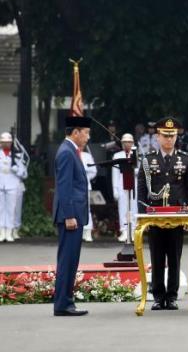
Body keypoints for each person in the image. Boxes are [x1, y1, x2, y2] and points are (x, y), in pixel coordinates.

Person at [137, 117, 188, 311]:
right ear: (157, 136)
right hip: (154, 213)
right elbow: (141, 186)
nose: (169, 139)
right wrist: (142, 213)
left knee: (174, 255)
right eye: (165, 135)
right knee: (156, 255)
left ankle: (171, 296)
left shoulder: (185, 158)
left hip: (177, 213)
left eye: (172, 136)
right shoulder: (148, 159)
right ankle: (157, 296)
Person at [53, 116, 92, 316]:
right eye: (85, 133)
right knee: (67, 260)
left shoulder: (70, 150)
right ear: (75, 132)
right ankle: (63, 304)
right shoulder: (67, 152)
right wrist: (68, 215)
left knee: (70, 260)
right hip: (70, 216)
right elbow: (64, 186)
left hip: (74, 214)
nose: (87, 137)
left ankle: (66, 301)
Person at [0, 132, 28, 242]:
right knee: (0, 210)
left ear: (11, 143)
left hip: (12, 185)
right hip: (0, 184)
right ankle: (2, 232)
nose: (6, 144)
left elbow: (24, 174)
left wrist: (17, 169)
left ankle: (9, 232)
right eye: (3, 142)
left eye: (8, 142)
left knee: (11, 210)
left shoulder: (17, 155)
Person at [112, 133, 139, 242]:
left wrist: (133, 169)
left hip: (134, 185)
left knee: (133, 208)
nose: (127, 144)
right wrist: (115, 189)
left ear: (132, 143)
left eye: (129, 142)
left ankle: (133, 231)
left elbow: (141, 171)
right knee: (123, 208)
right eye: (125, 142)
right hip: (121, 185)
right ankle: (124, 231)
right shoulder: (117, 156)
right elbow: (115, 174)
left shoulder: (137, 154)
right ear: (122, 144)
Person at [81, 149, 97, 242]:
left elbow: (93, 171)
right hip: (73, 186)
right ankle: (79, 232)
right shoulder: (71, 153)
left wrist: (85, 178)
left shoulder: (87, 155)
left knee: (86, 209)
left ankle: (87, 232)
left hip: (84, 185)